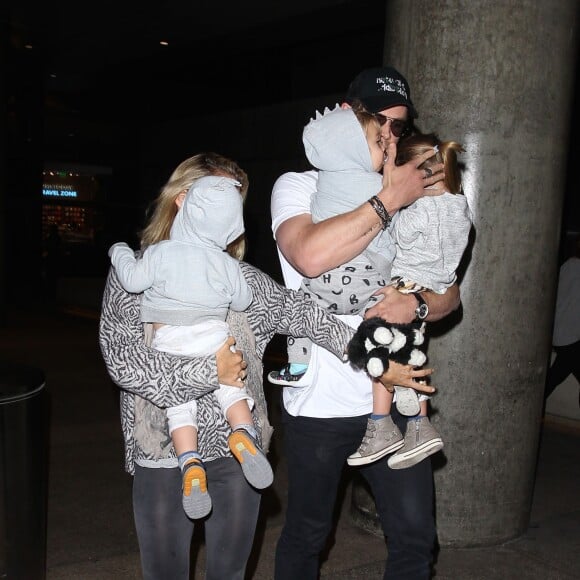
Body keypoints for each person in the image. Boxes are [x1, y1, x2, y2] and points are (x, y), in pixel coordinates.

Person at [98, 151, 433, 580]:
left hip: (240, 459)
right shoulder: (139, 274)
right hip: (163, 456)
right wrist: (210, 373)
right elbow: (126, 364)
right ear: (183, 200)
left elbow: (306, 315)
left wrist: (375, 361)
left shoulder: (239, 278)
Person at [270, 66, 461, 579]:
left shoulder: (412, 190)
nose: (391, 134)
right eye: (381, 120)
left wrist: (416, 305)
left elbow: (448, 295)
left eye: (400, 125)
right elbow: (309, 256)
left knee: (416, 539)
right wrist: (389, 200)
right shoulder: (300, 185)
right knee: (308, 534)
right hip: (319, 403)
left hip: (398, 401)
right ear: (348, 116)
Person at [108, 174, 273, 521]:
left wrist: (119, 251)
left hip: (171, 343)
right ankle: (243, 435)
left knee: (179, 408)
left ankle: (189, 462)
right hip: (214, 337)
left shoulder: (161, 253)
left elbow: (133, 280)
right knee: (233, 390)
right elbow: (242, 301)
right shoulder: (228, 264)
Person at [349, 132, 472, 470]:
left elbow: (397, 232)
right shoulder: (459, 208)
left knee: (378, 347)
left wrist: (395, 197)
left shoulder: (423, 210)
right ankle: (417, 427)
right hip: (432, 287)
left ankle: (382, 425)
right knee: (408, 352)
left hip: (407, 286)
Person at [544, 234, 580, 405]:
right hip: (572, 337)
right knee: (554, 376)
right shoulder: (574, 269)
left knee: (556, 375)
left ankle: (531, 405)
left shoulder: (564, 267)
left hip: (560, 335)